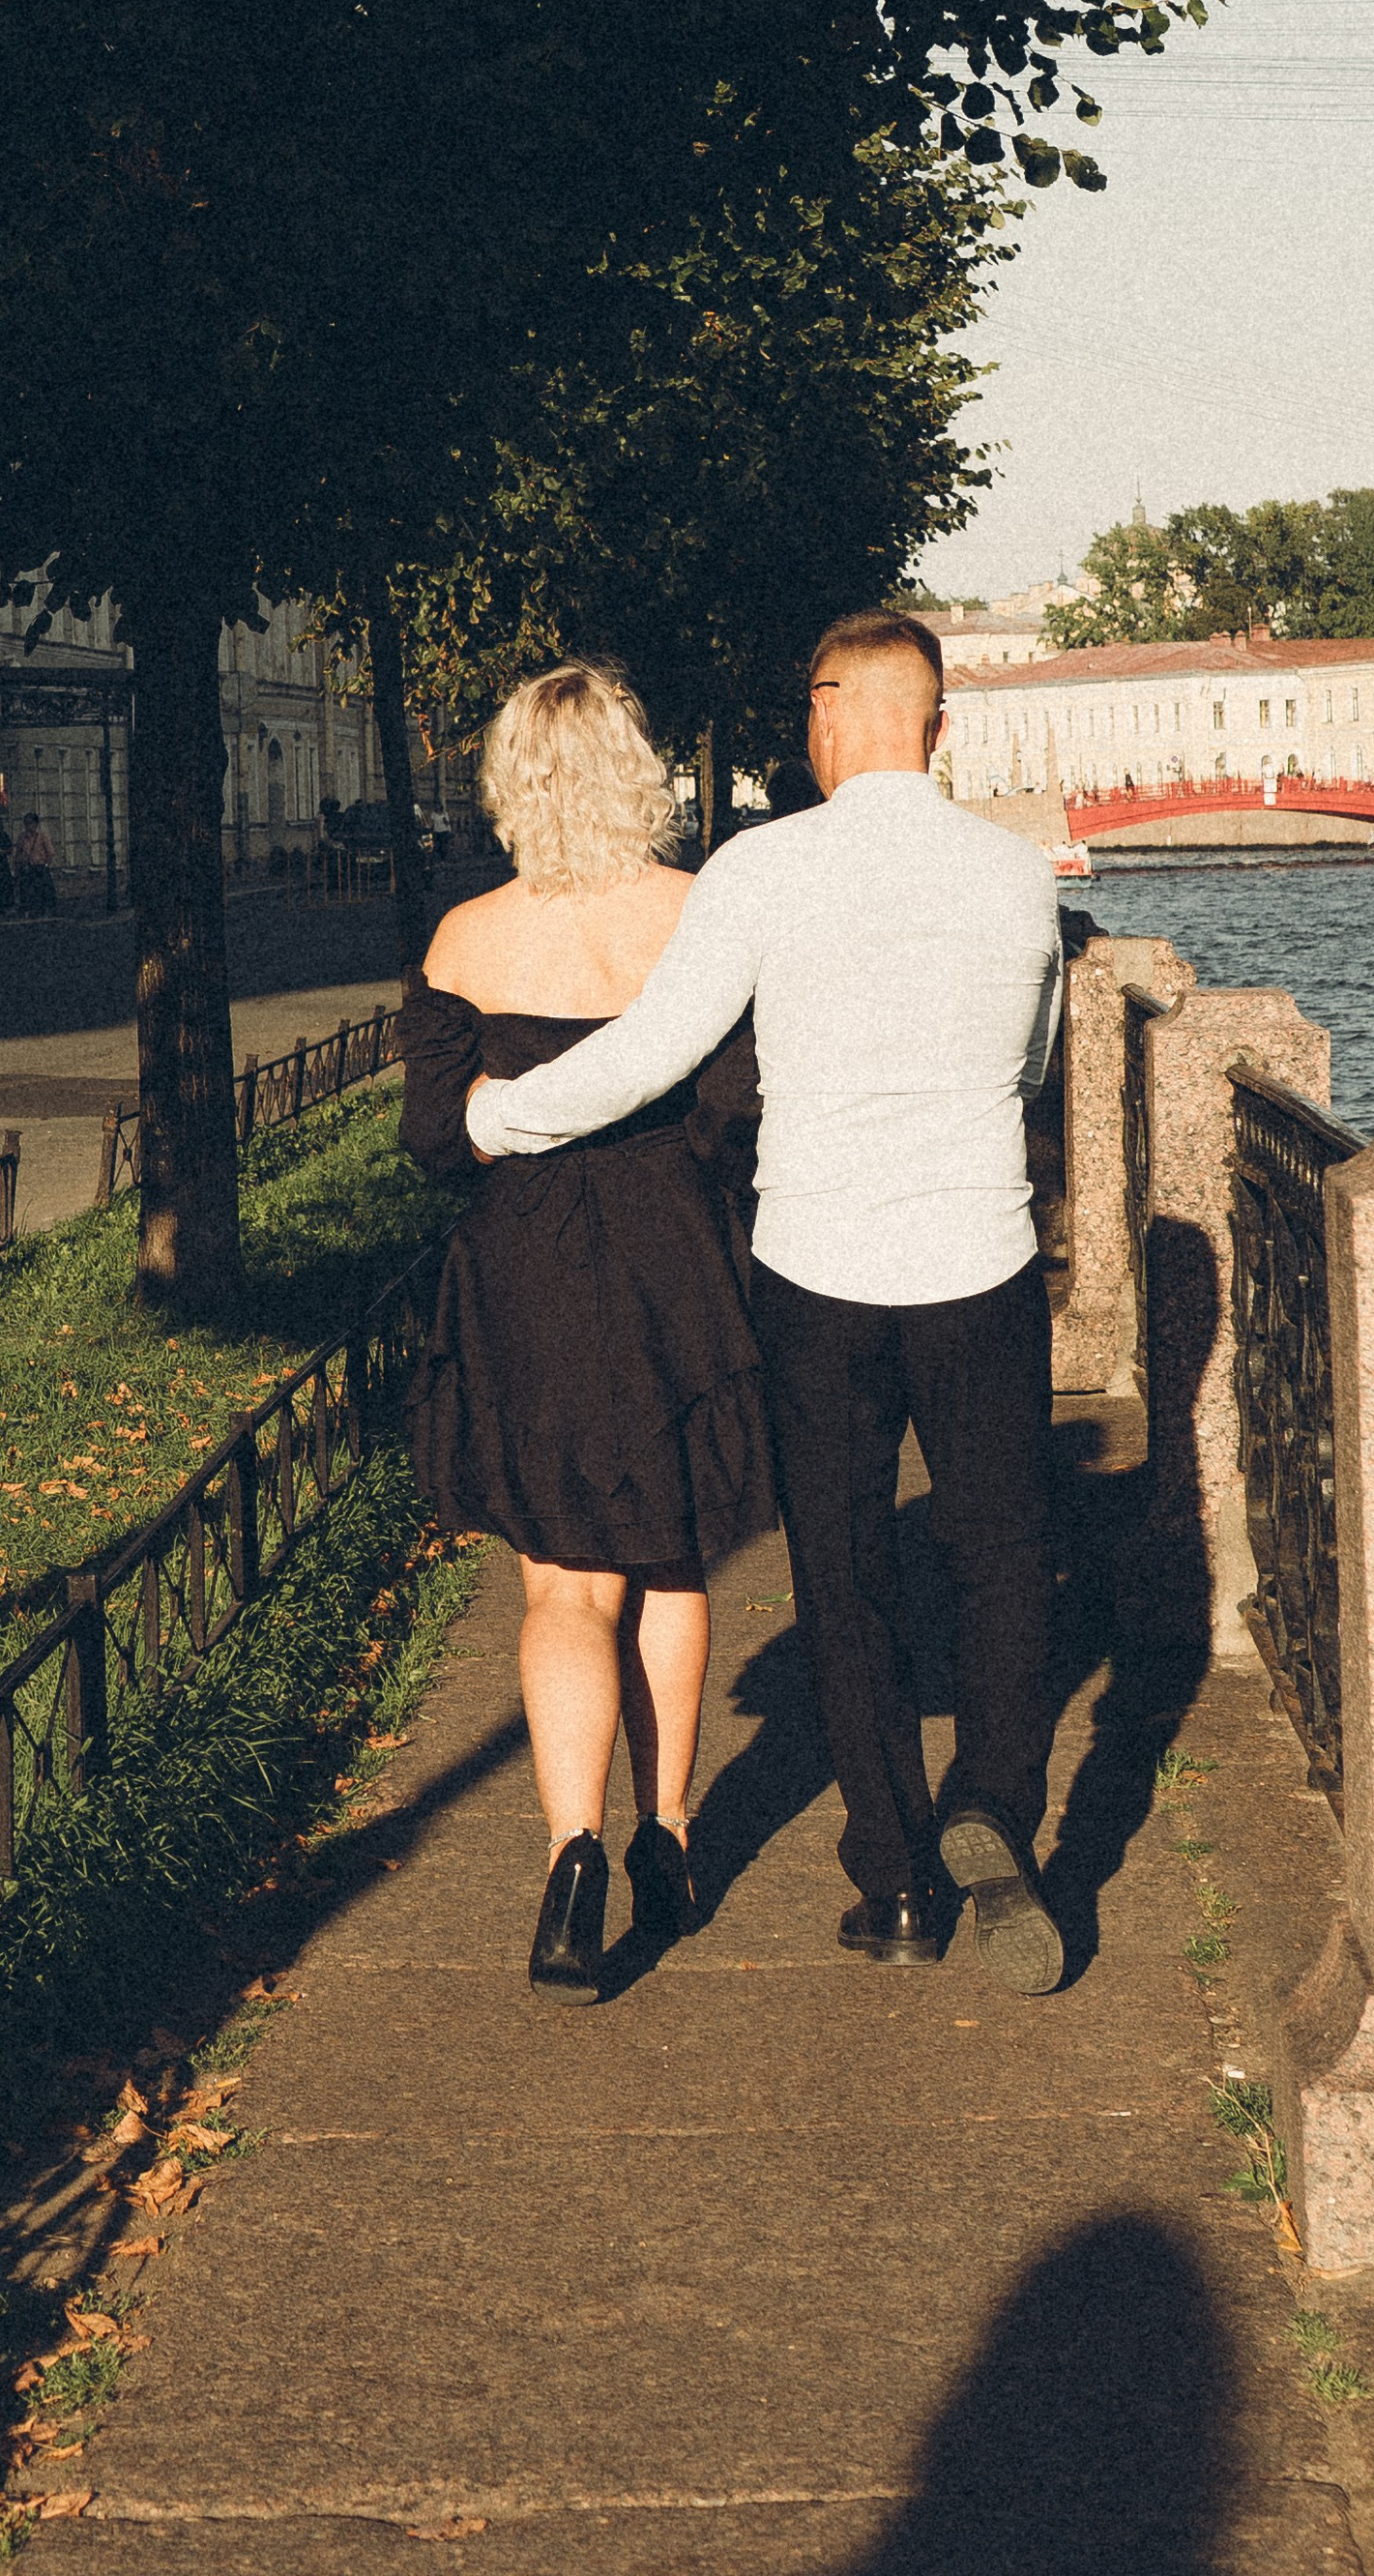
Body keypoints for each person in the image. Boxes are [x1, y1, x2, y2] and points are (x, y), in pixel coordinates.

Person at [466, 609, 1067, 1996]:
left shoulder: (763, 868)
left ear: (824, 716)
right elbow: (1032, 1063)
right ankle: (993, 1800)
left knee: (845, 1578)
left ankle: (902, 1882)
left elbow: (651, 1056)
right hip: (981, 1258)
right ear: (940, 726)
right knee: (997, 1553)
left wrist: (502, 1117)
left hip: (818, 1272)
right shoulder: (1017, 876)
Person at [403, 661, 772, 2003]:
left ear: (512, 782)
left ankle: (571, 1855)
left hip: (526, 1270)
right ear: (638, 771)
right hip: (673, 1259)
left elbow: (434, 1141)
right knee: (671, 1556)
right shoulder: (695, 918)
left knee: (561, 1580)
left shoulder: (465, 939)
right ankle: (670, 1832)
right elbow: (738, 1112)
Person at [15, 811, 57, 917]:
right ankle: (29, 910)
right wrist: (18, 864)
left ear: (36, 824)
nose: (29, 826)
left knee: (42, 890)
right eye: (27, 824)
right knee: (27, 890)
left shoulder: (42, 836)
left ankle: (43, 909)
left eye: (31, 823)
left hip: (39, 867)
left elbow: (50, 852)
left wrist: (46, 865)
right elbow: (18, 852)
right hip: (27, 867)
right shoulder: (22, 837)